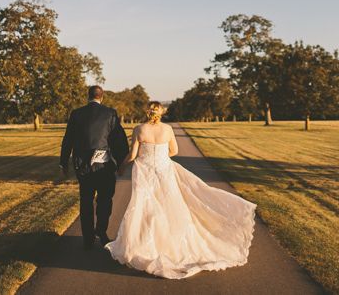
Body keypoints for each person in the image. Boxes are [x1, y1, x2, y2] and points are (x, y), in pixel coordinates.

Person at [105, 101, 256, 278]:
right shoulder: (167, 130)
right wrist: (160, 157)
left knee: (143, 207)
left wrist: (121, 167)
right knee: (169, 205)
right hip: (164, 169)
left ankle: (143, 244)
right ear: (160, 113)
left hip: (144, 170)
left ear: (147, 112)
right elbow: (174, 150)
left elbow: (132, 155)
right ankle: (168, 243)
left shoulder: (139, 129)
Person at [60, 85, 129, 249]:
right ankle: (101, 231)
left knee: (86, 201)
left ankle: (88, 237)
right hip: (104, 167)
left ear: (88, 96)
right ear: (102, 97)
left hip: (83, 166)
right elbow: (119, 140)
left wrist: (63, 162)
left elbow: (67, 140)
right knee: (105, 199)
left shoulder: (76, 114)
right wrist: (121, 163)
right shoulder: (110, 113)